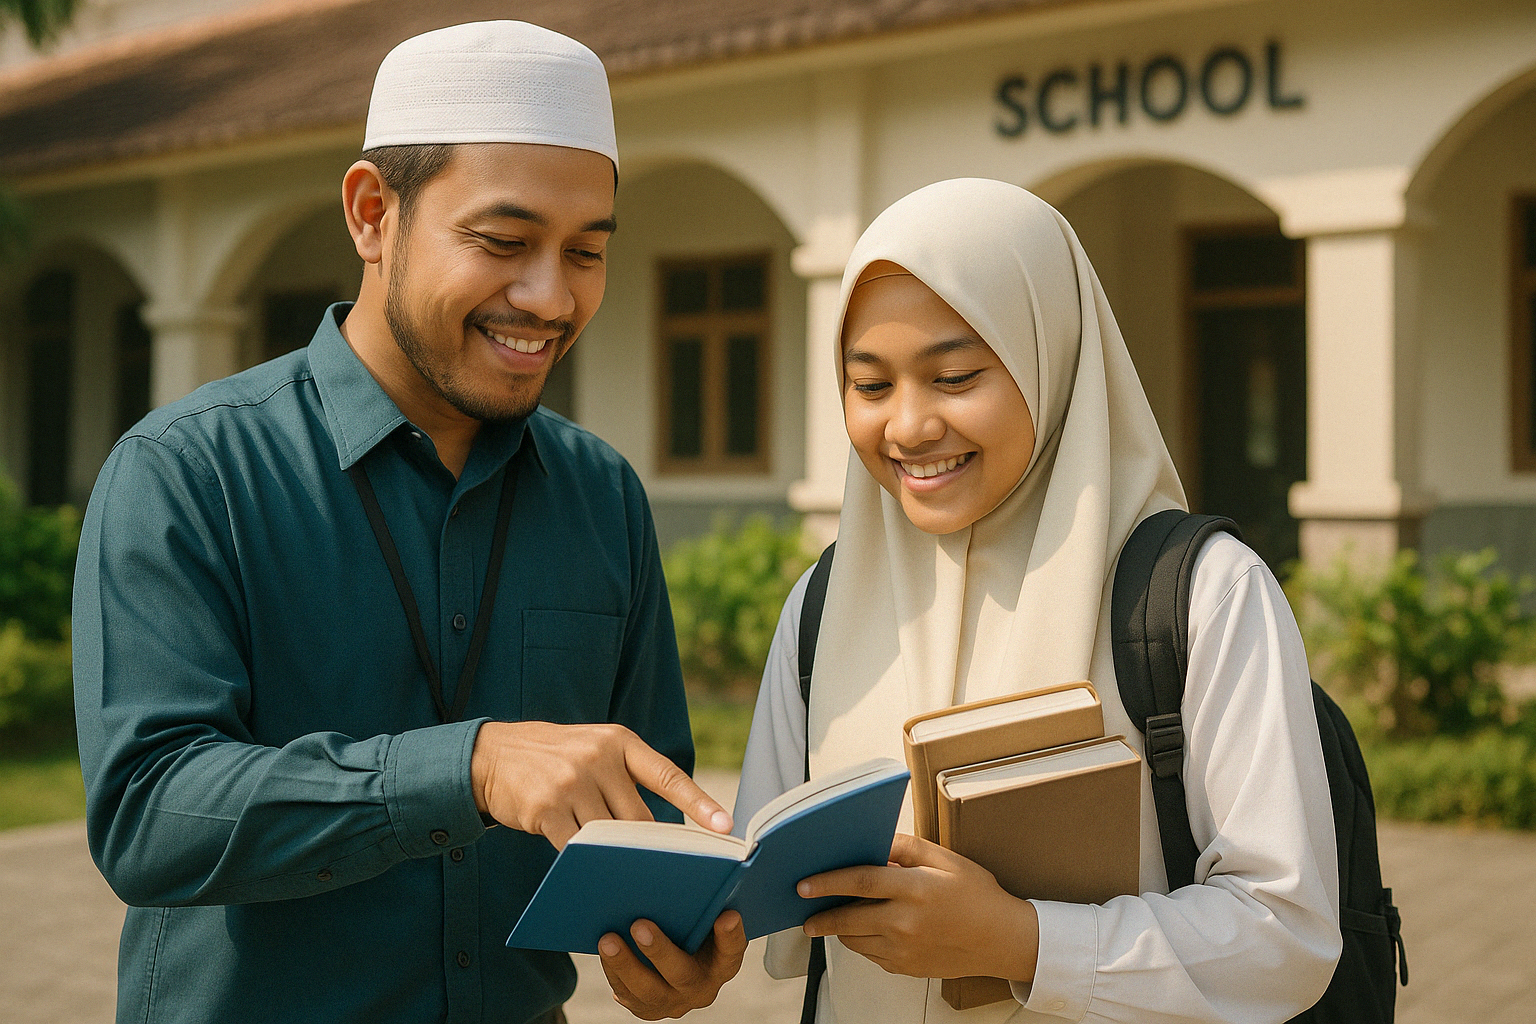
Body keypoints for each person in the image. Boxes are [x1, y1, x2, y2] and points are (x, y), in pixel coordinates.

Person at [73, 21, 743, 1024]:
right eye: (504, 243)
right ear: (372, 213)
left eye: (587, 251)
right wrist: (465, 768)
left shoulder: (602, 495)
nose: (550, 296)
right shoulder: (189, 473)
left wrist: (674, 942)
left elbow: (645, 808)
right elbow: (148, 815)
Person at [733, 178, 1341, 1022]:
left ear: (1050, 358)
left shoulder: (1202, 594)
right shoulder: (825, 603)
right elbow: (758, 889)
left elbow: (1285, 934)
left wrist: (1021, 941)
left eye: (953, 375)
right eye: (870, 386)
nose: (907, 427)